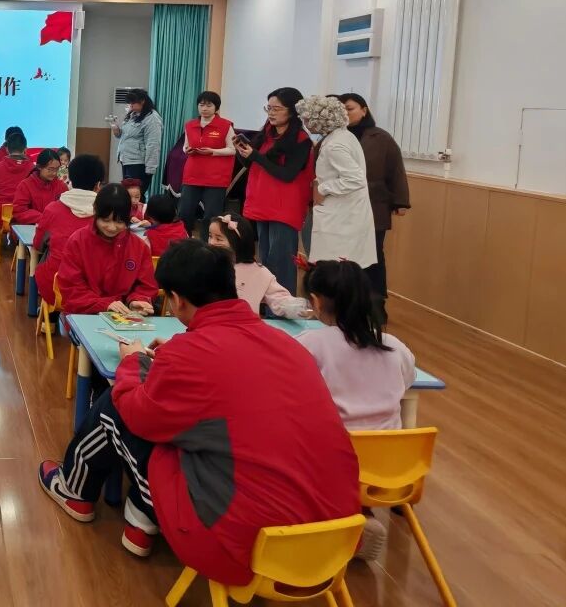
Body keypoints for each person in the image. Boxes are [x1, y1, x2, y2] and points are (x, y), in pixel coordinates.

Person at [37, 239, 359, 579]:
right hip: (336, 541)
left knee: (120, 403)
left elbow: (139, 415)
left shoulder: (190, 356)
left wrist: (132, 363)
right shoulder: (290, 346)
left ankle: (75, 490)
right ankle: (140, 516)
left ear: (177, 300)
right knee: (204, 425)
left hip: (242, 551)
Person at [300, 259, 415, 561]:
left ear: (315, 301)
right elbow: (406, 384)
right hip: (389, 472)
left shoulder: (311, 344)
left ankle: (339, 526)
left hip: (333, 468)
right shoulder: (394, 347)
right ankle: (360, 518)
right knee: (363, 440)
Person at [233, 87, 314, 297]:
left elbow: (287, 174)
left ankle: (283, 307)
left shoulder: (301, 140)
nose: (271, 113)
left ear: (293, 111)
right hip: (262, 202)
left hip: (284, 207)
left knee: (282, 261)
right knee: (266, 260)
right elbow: (253, 165)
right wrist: (242, 153)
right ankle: (268, 305)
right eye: (268, 108)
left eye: (277, 108)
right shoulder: (267, 133)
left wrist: (256, 156)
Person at [337, 93, 411, 302]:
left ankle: (375, 300)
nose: (345, 113)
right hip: (343, 204)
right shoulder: (336, 136)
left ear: (364, 110)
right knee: (345, 254)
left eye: (349, 109)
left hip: (374, 204)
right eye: (341, 110)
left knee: (373, 253)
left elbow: (396, 170)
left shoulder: (381, 138)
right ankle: (348, 298)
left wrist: (400, 202)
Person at [297, 96, 377, 271]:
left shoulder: (335, 145)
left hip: (341, 217)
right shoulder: (343, 136)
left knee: (334, 269)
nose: (304, 123)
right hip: (345, 213)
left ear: (319, 119)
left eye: (307, 118)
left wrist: (322, 188)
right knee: (342, 268)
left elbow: (356, 179)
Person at [55, 184, 158, 315]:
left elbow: (146, 286)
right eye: (105, 220)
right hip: (84, 314)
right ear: (94, 210)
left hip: (125, 315)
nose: (112, 227)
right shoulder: (77, 242)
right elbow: (72, 288)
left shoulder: (139, 247)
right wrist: (104, 304)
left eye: (119, 222)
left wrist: (137, 300)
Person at [35, 154, 105, 307]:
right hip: (97, 291)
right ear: (98, 185)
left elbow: (38, 244)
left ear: (70, 179)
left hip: (56, 289)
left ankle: (48, 316)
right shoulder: (106, 215)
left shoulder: (53, 209)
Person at [208, 213, 309, 318]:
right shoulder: (205, 265)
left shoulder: (257, 272)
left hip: (245, 325)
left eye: (218, 239)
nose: (211, 242)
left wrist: (297, 307)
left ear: (238, 242)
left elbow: (279, 298)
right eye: (210, 236)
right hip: (209, 324)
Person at [179, 90, 237, 237]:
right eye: (201, 105)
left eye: (209, 105)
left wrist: (213, 151)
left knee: (211, 215)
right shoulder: (190, 125)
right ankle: (184, 241)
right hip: (192, 174)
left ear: (216, 107)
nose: (204, 108)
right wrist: (187, 150)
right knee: (185, 212)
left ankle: (208, 244)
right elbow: (185, 146)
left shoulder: (225, 125)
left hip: (215, 178)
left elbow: (233, 149)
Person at [0, 131, 33, 253]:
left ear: (7, 149)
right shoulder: (33, 170)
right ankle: (24, 242)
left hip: (0, 218)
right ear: (25, 149)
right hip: (23, 216)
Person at [111, 89, 163, 186]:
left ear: (142, 101)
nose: (130, 105)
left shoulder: (152, 118)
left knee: (135, 192)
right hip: (126, 160)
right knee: (127, 191)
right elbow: (125, 136)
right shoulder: (132, 115)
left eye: (133, 103)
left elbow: (153, 144)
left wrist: (150, 168)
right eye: (130, 103)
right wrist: (116, 129)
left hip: (138, 163)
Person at [11, 149, 69, 225]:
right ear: (39, 167)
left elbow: (67, 209)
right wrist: (44, 218)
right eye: (50, 169)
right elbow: (19, 211)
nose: (54, 173)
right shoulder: (25, 185)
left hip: (54, 226)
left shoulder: (61, 186)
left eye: (57, 169)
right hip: (30, 227)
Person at [143, 193, 188, 257]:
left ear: (152, 219)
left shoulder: (149, 235)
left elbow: (144, 256)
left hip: (158, 263)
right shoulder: (182, 228)